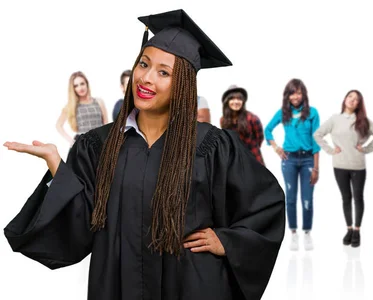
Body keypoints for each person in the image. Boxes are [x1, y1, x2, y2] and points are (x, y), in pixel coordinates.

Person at [3, 9, 285, 300]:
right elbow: (81, 226)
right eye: (143, 64)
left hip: (191, 286)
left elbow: (265, 204)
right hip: (119, 286)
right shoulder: (100, 146)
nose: (146, 78)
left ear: (183, 85)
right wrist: (57, 167)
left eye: (164, 72)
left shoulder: (210, 146)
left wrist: (228, 241)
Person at [313, 90, 373, 247]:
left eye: (356, 99)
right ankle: (349, 229)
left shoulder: (362, 120)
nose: (352, 100)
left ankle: (357, 230)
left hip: (358, 165)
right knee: (346, 198)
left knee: (358, 197)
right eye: (350, 97)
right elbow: (317, 134)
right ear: (345, 99)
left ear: (359, 104)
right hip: (339, 165)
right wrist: (331, 150)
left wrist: (365, 149)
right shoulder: (335, 119)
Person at [265, 78, 320, 251]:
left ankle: (307, 232)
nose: (295, 96)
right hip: (288, 160)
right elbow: (268, 130)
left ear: (303, 94)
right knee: (290, 198)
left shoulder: (312, 112)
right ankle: (294, 233)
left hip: (308, 160)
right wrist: (276, 148)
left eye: (298, 92)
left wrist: (316, 168)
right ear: (287, 96)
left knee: (307, 198)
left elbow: (316, 140)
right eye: (292, 93)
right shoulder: (283, 112)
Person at [56, 71, 108, 145]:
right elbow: (58, 125)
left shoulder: (99, 102)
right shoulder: (71, 106)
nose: (80, 88)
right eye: (76, 86)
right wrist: (71, 141)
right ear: (73, 89)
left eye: (82, 84)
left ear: (87, 84)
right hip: (83, 145)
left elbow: (106, 124)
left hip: (100, 142)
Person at [220, 85, 265, 165]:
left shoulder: (253, 118)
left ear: (243, 102)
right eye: (232, 99)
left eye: (239, 99)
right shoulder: (223, 120)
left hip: (253, 158)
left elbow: (260, 138)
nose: (236, 102)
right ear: (227, 101)